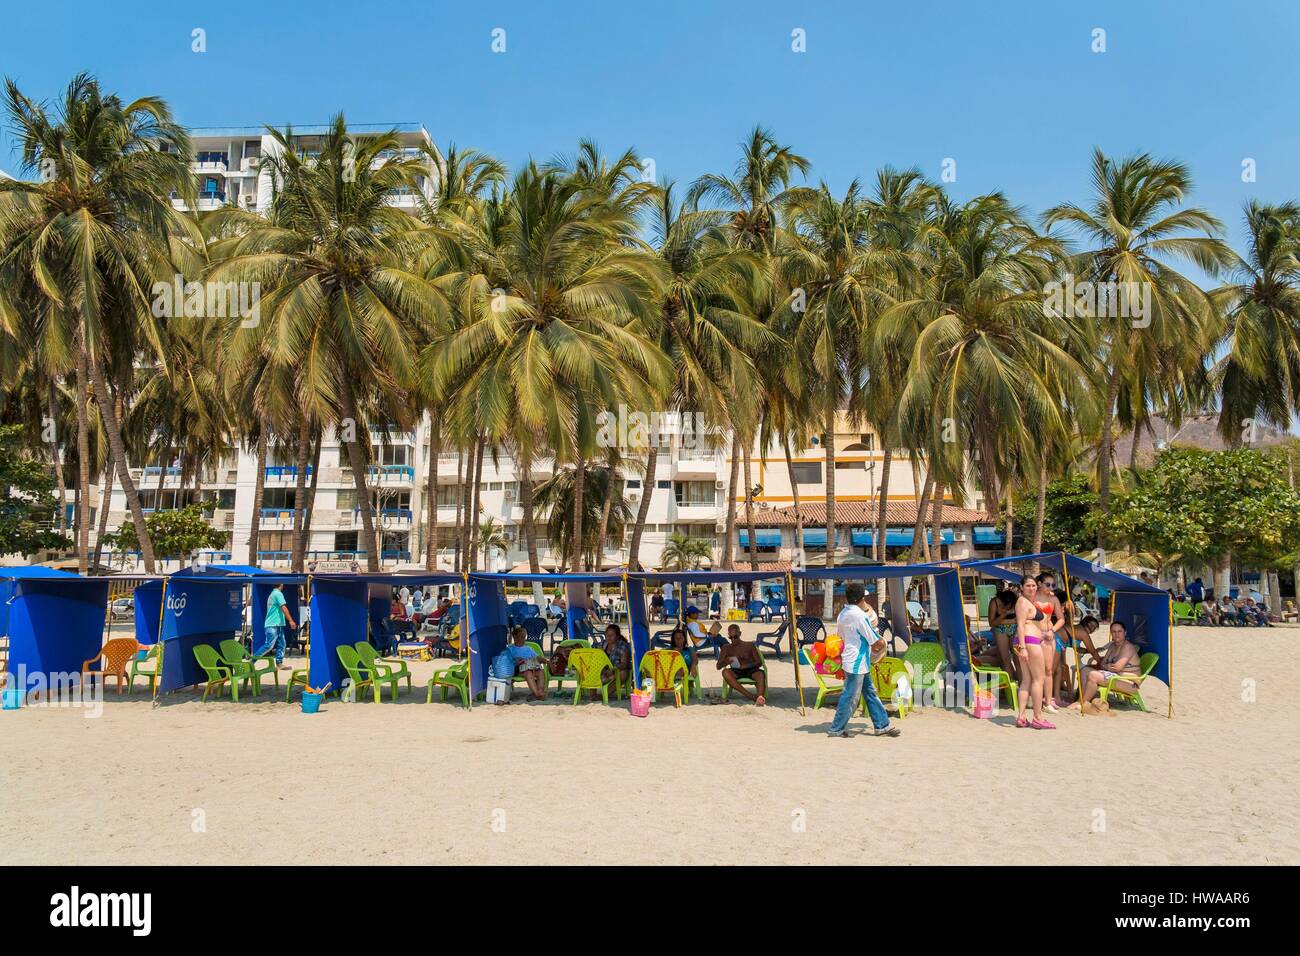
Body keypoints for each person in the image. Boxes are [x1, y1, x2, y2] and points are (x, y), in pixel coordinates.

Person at [827, 582, 898, 738]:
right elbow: (873, 639)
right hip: (857, 661)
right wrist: (882, 644)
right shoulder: (860, 615)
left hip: (851, 659)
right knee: (850, 696)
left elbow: (841, 636)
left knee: (869, 692)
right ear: (861, 597)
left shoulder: (843, 614)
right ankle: (836, 729)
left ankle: (882, 726)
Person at [1013, 574, 1053, 729]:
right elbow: (1021, 625)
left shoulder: (1027, 602)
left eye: (1034, 585)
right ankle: (1038, 717)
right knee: (1039, 680)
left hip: (1027, 641)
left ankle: (1022, 716)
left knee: (1026, 680)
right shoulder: (1022, 602)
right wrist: (1023, 648)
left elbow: (1030, 624)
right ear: (1022, 587)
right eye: (1028, 585)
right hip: (1028, 643)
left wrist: (1043, 634)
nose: (1031, 588)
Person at [1078, 620, 1141, 713]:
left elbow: (1116, 668)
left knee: (1093, 675)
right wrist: (1107, 666)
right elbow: (1103, 663)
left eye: (1119, 631)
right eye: (1114, 632)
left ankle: (1083, 703)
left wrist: (1106, 666)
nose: (1116, 634)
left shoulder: (1127, 647)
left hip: (1129, 682)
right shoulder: (1112, 645)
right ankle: (1080, 700)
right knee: (1084, 670)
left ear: (1125, 632)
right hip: (1116, 676)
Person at [1035, 571, 1069, 712]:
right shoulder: (1032, 597)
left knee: (1049, 669)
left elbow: (1061, 619)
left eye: (1053, 585)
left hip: (1049, 635)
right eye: (1048, 584)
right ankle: (1038, 698)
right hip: (1034, 635)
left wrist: (1052, 630)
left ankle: (1048, 702)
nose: (1051, 587)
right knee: (1036, 670)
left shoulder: (1053, 599)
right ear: (1040, 584)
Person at [716, 623, 766, 705]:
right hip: (736, 671)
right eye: (730, 637)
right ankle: (751, 696)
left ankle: (760, 696)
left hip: (751, 669)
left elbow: (759, 662)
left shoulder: (749, 645)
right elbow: (718, 666)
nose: (733, 640)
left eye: (735, 637)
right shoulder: (726, 647)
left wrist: (746, 666)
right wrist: (726, 662)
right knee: (725, 672)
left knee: (760, 674)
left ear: (740, 634)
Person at [256, 582, 296, 669]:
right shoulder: (278, 594)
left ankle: (279, 663)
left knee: (282, 644)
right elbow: (284, 607)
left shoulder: (273, 594)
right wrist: (291, 621)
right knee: (269, 645)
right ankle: (252, 661)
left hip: (278, 624)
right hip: (272, 624)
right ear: (281, 585)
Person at [985, 588, 1021, 681]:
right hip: (1000, 630)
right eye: (1006, 605)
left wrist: (1005, 620)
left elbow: (1019, 620)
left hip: (1014, 629)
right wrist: (1005, 614)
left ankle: (1022, 684)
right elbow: (992, 623)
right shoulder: (994, 602)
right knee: (1005, 659)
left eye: (1010, 606)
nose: (1008, 607)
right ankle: (1011, 683)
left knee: (1018, 658)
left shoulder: (1016, 602)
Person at [507, 626, 546, 700]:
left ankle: (540, 690)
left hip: (532, 667)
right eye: (520, 637)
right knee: (528, 673)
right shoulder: (510, 649)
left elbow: (537, 658)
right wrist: (516, 661)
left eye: (523, 637)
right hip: (519, 670)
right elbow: (507, 662)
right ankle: (537, 694)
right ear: (514, 638)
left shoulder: (528, 648)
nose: (522, 639)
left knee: (541, 672)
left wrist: (544, 660)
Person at [600, 623, 632, 691]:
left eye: (612, 635)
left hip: (617, 671)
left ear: (617, 636)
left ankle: (607, 693)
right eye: (607, 635)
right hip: (604, 671)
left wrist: (613, 669)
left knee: (624, 673)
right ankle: (592, 694)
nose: (609, 637)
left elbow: (624, 664)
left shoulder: (622, 646)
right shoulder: (603, 644)